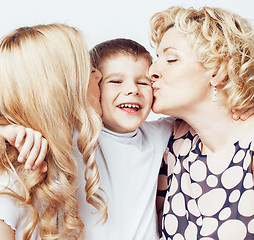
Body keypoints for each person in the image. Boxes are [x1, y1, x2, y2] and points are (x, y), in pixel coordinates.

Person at [149, 6, 254, 240]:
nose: (152, 71)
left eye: (171, 59)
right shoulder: (174, 141)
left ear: (217, 70)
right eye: (156, 58)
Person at [0, 24, 107, 239]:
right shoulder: (10, 186)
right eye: (90, 68)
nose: (100, 76)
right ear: (62, 88)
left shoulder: (69, 153)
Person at [77, 38, 174, 240]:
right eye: (115, 81)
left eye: (142, 82)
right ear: (93, 88)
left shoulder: (161, 133)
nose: (133, 90)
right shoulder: (75, 137)